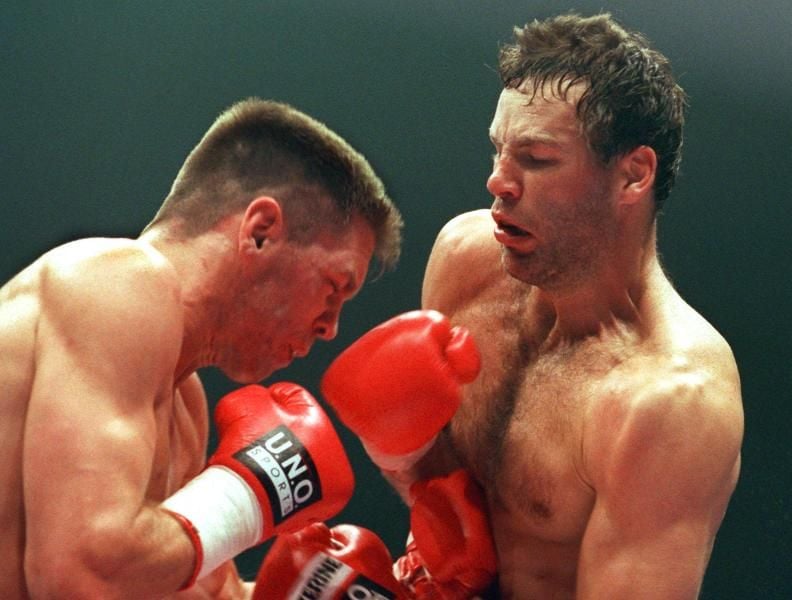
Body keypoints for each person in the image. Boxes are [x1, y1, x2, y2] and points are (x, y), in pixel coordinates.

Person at [319, 13, 744, 599]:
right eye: (498, 150)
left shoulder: (670, 402)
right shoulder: (466, 262)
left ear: (633, 175)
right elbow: (455, 508)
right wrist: (404, 454)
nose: (499, 181)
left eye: (537, 159)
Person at [0, 97, 403, 598]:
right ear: (260, 232)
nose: (331, 328)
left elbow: (200, 590)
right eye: (334, 286)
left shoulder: (184, 407)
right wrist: (245, 497)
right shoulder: (118, 280)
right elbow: (79, 573)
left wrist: (313, 590)